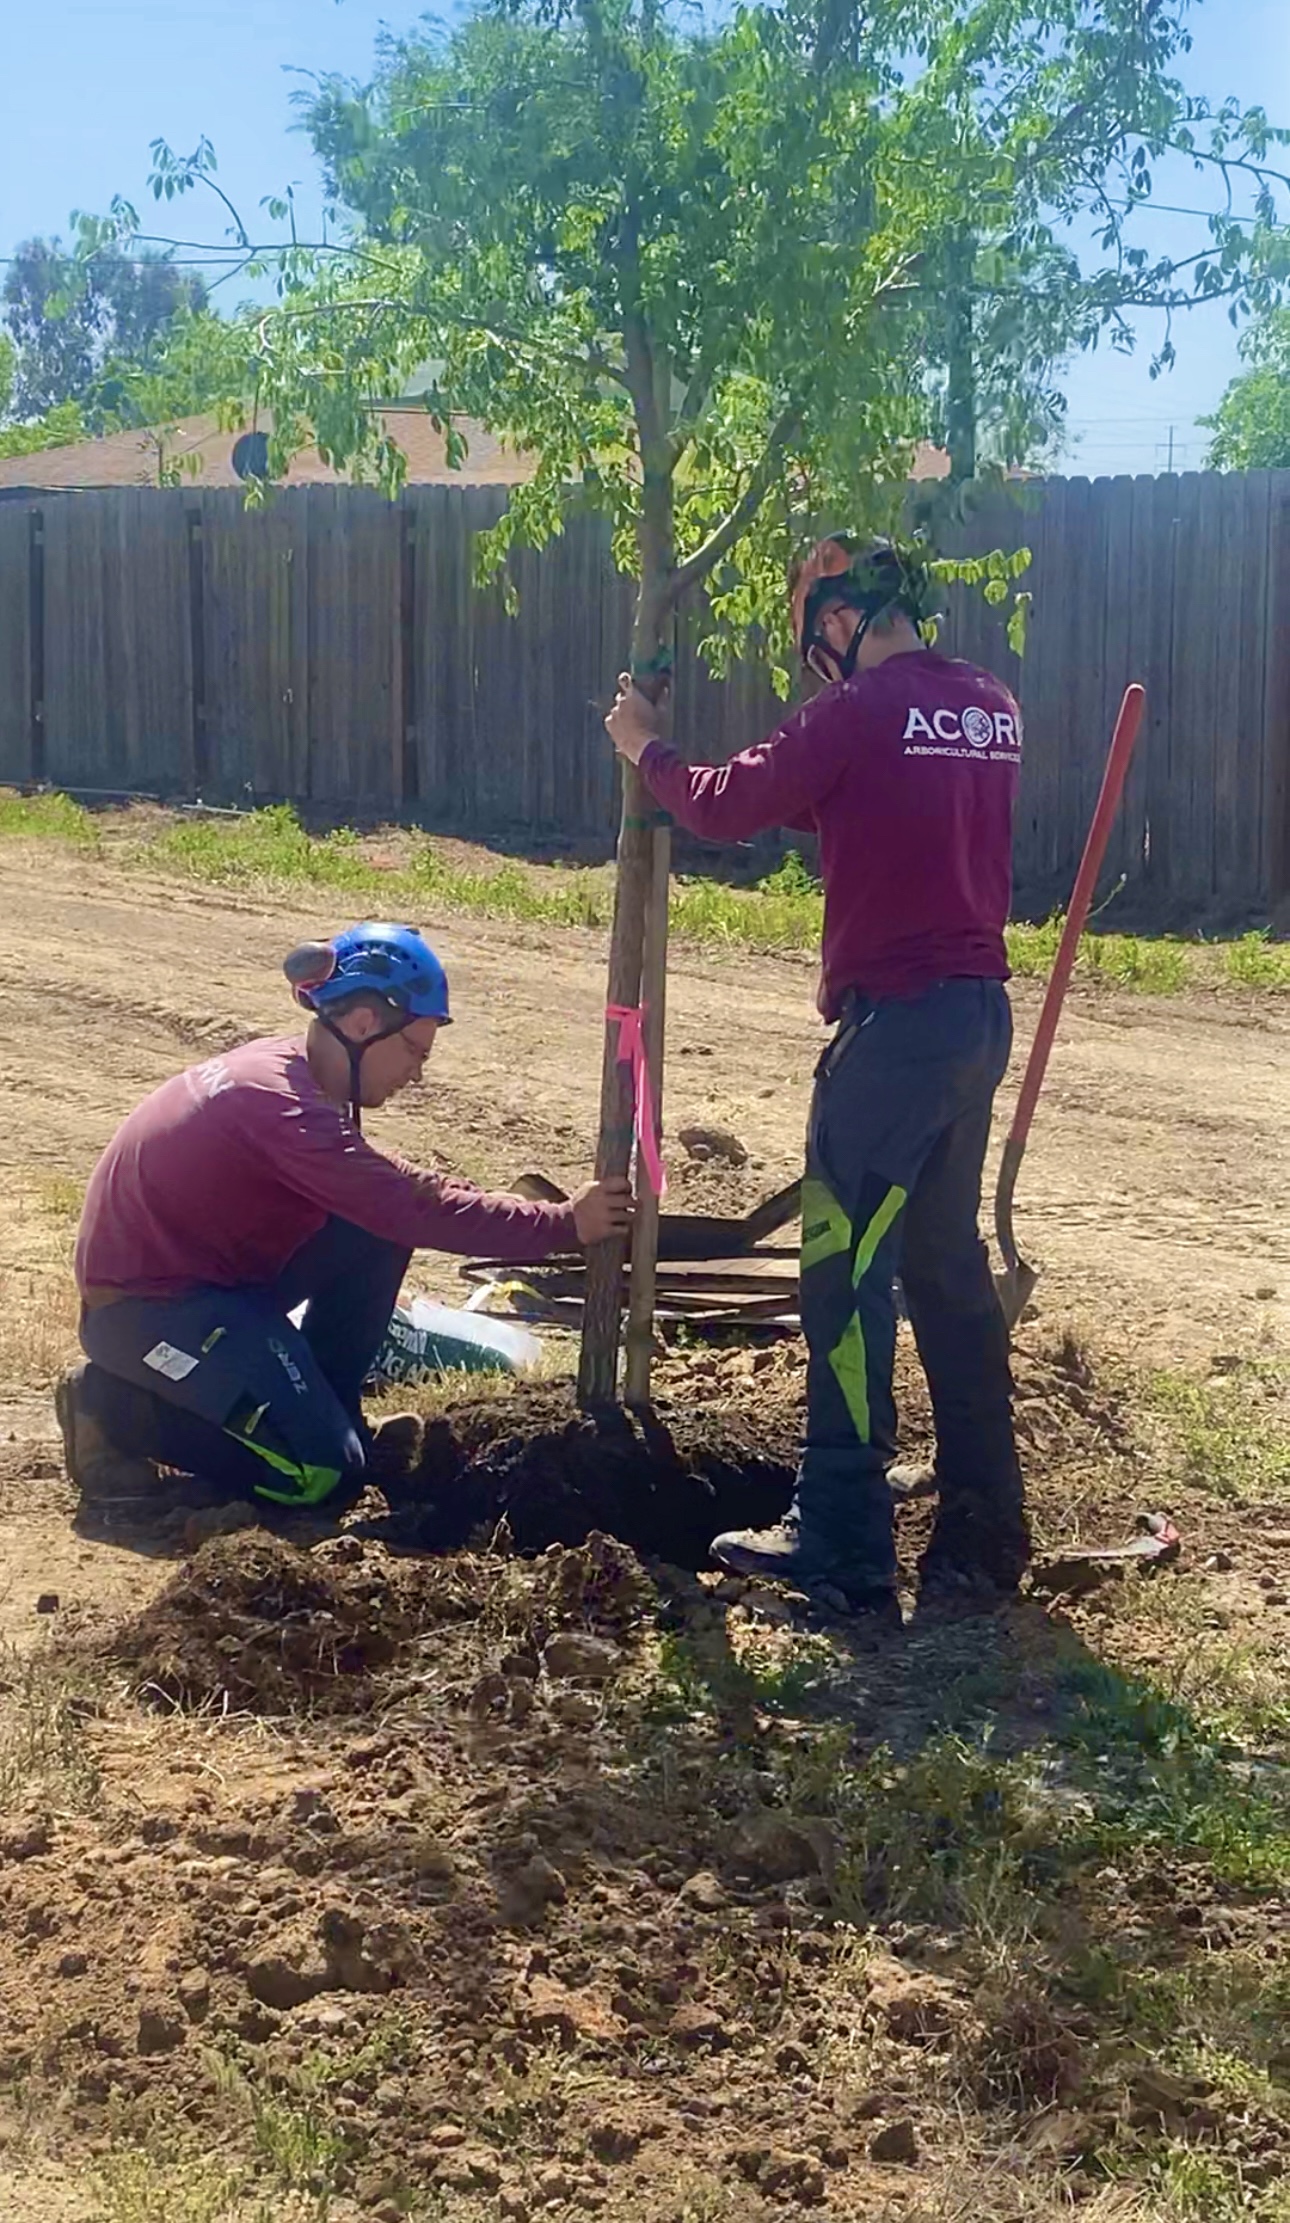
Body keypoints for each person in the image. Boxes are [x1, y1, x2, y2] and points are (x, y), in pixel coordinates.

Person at [606, 536, 1030, 1614]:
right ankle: (985, 1521)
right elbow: (857, 799)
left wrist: (646, 751)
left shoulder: (859, 711)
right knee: (943, 1268)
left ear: (835, 619)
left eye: (813, 634)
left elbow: (723, 804)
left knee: (843, 1279)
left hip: (892, 1038)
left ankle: (841, 1535)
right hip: (977, 1017)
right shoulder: (988, 708)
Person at [57, 921, 631, 1527]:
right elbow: (418, 1205)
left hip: (213, 1287)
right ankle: (108, 1404)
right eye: (414, 1050)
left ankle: (328, 1413)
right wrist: (564, 1224)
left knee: (375, 1225)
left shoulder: (290, 1075)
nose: (416, 1074)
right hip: (144, 1313)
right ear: (363, 1025)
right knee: (324, 1477)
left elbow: (397, 1195)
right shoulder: (280, 1107)